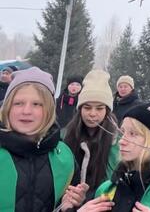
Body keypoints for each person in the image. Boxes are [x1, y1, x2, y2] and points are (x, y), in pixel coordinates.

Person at [0, 66, 88, 211]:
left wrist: (71, 206)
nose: (26, 111)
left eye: (37, 104)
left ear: (49, 110)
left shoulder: (64, 157)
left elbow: (64, 204)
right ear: (7, 107)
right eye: (18, 103)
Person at [62, 70, 119, 199]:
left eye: (99, 108)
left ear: (107, 111)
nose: (93, 114)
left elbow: (113, 185)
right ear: (80, 109)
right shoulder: (65, 137)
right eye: (87, 107)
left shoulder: (116, 143)